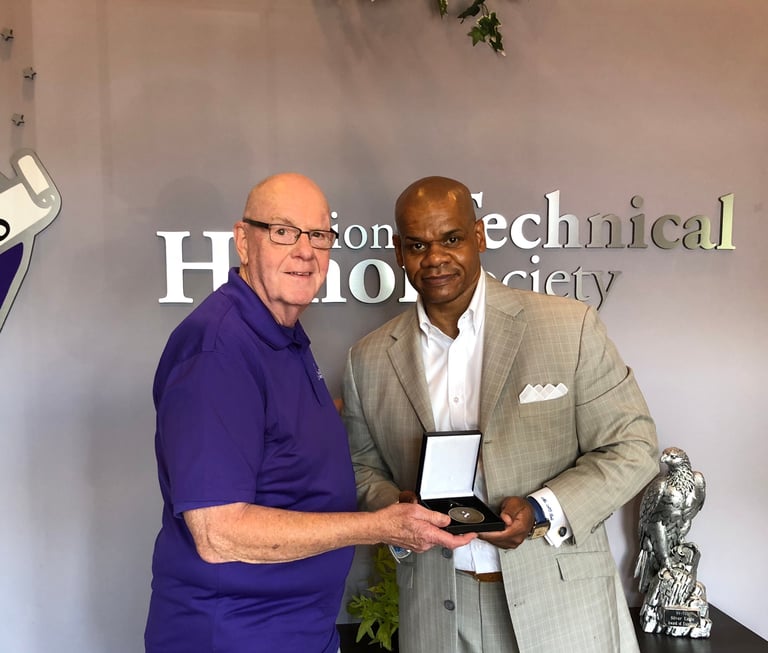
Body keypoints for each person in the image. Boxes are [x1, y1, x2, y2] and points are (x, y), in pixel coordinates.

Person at [144, 173, 475, 653]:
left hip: (299, 629)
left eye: (319, 236)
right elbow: (219, 533)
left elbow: (280, 431)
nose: (305, 251)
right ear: (243, 241)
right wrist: (379, 526)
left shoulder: (282, 333)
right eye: (283, 231)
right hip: (233, 635)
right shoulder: (217, 350)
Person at [342, 176, 660, 653]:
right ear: (398, 251)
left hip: (560, 607)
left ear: (479, 236)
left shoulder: (569, 327)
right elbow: (361, 467)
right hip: (436, 612)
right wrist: (396, 508)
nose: (435, 258)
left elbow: (632, 447)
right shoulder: (366, 359)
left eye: (451, 238)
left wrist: (540, 510)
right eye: (418, 245)